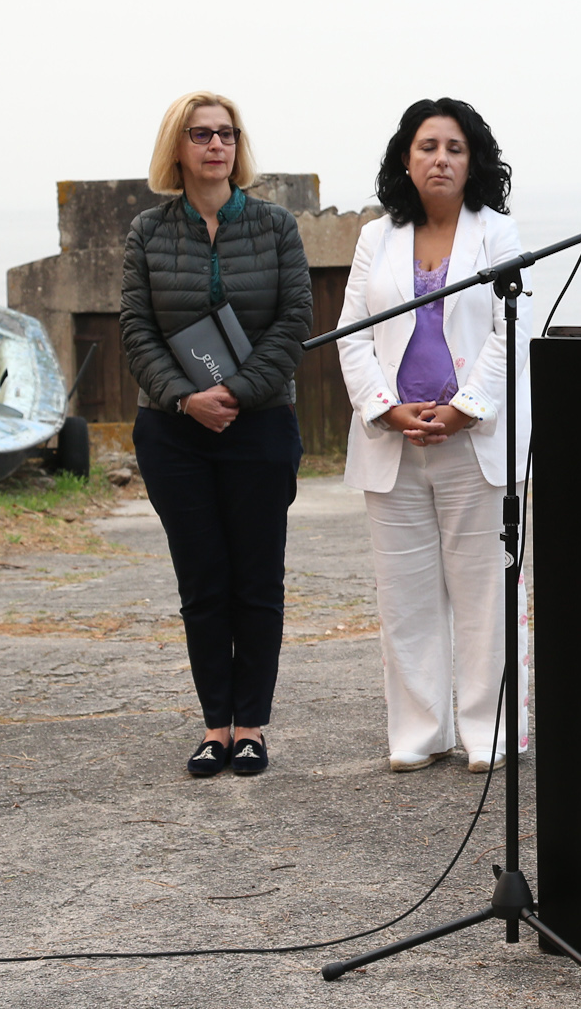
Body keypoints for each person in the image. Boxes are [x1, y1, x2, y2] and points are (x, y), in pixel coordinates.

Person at [121, 90, 312, 779]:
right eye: (201, 134)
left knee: (257, 581)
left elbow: (295, 320)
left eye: (226, 134)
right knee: (202, 583)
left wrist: (235, 392)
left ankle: (251, 726)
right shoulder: (147, 232)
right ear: (177, 147)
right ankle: (214, 728)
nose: (216, 145)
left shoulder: (275, 225)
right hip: (174, 433)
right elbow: (136, 328)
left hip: (259, 425)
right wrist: (185, 398)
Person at [336, 99, 530, 774]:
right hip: (393, 442)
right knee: (405, 597)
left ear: (473, 161)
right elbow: (352, 335)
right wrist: (387, 409)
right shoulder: (375, 238)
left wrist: (465, 408)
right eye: (427, 146)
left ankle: (490, 732)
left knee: (486, 597)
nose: (440, 159)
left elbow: (510, 332)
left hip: (475, 441)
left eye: (454, 147)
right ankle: (419, 731)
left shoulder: (497, 233)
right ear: (405, 158)